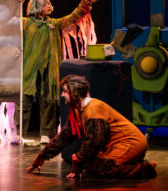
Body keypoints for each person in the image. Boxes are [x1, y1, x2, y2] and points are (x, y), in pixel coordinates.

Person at [27, 75, 157, 178]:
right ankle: (130, 162)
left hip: (131, 143)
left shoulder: (93, 109)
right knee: (90, 165)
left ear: (74, 93)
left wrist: (79, 158)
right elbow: (64, 137)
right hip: (115, 145)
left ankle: (144, 169)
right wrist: (43, 156)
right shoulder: (77, 110)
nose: (62, 95)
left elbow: (95, 139)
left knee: (102, 168)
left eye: (65, 91)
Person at [15, 0, 99, 146]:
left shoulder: (53, 23)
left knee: (48, 101)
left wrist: (84, 4)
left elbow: (72, 18)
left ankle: (46, 133)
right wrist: (16, 6)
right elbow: (10, 20)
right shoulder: (26, 23)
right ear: (36, 7)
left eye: (49, 3)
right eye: (45, 3)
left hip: (50, 68)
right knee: (24, 101)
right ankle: (19, 133)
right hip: (30, 69)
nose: (49, 5)